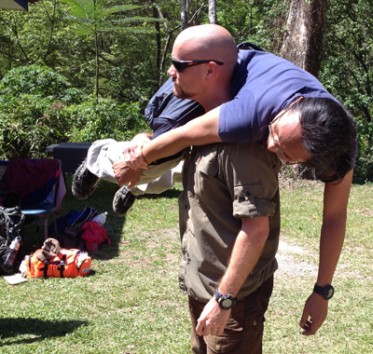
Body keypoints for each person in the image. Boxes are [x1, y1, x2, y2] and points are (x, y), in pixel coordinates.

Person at [115, 24, 357, 338]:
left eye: (284, 153)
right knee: (166, 126)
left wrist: (321, 291)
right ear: (289, 110)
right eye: (274, 135)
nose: (269, 147)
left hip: (245, 75)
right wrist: (140, 160)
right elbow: (185, 134)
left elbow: (335, 217)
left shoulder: (340, 143)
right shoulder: (249, 115)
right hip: (219, 64)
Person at [181, 140, 281, 353]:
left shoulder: (243, 145)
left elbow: (256, 229)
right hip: (202, 282)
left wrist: (223, 300)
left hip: (233, 298)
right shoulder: (196, 132)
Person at [71, 78, 204, 216]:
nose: (170, 70)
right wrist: (140, 159)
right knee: (156, 164)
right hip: (179, 125)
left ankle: (132, 188)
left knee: (177, 173)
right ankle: (98, 158)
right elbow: (172, 131)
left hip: (196, 143)